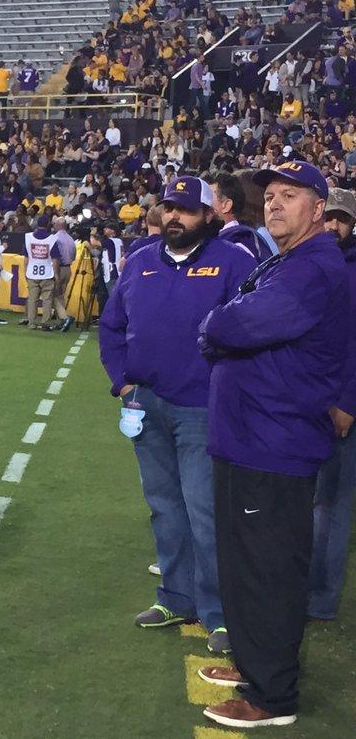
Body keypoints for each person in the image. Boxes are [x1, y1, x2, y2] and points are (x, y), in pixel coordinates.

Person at [197, 161, 349, 728]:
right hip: (250, 436)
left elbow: (234, 326)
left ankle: (272, 696)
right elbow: (235, 324)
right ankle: (254, 661)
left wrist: (217, 327)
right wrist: (223, 326)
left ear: (318, 208)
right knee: (244, 561)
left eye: (291, 194)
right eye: (271, 195)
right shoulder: (288, 261)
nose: (276, 203)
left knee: (267, 567)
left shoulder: (310, 268)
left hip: (274, 440)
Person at [100, 176, 254, 653]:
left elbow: (253, 328)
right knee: (165, 507)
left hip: (203, 409)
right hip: (148, 405)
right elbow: (111, 325)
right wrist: (124, 381)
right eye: (169, 207)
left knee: (205, 511)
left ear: (209, 216)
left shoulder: (234, 261)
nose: (174, 217)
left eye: (186, 210)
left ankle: (220, 613)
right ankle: (176, 596)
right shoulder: (141, 261)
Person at [309, 186, 356, 621]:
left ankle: (319, 598)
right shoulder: (314, 262)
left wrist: (346, 401)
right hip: (307, 400)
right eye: (329, 217)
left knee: (332, 505)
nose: (333, 226)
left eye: (341, 219)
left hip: (340, 406)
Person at [203, 171, 276, 261]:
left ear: (226, 205)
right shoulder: (209, 240)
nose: (202, 204)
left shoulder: (240, 243)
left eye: (208, 197)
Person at [22, 215, 66, 330]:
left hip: (32, 272)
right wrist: (56, 275)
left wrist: (25, 271)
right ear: (48, 225)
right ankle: (45, 322)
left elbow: (26, 258)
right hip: (47, 273)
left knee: (32, 299)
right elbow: (55, 260)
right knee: (47, 300)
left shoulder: (28, 237)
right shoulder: (51, 239)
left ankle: (31, 322)